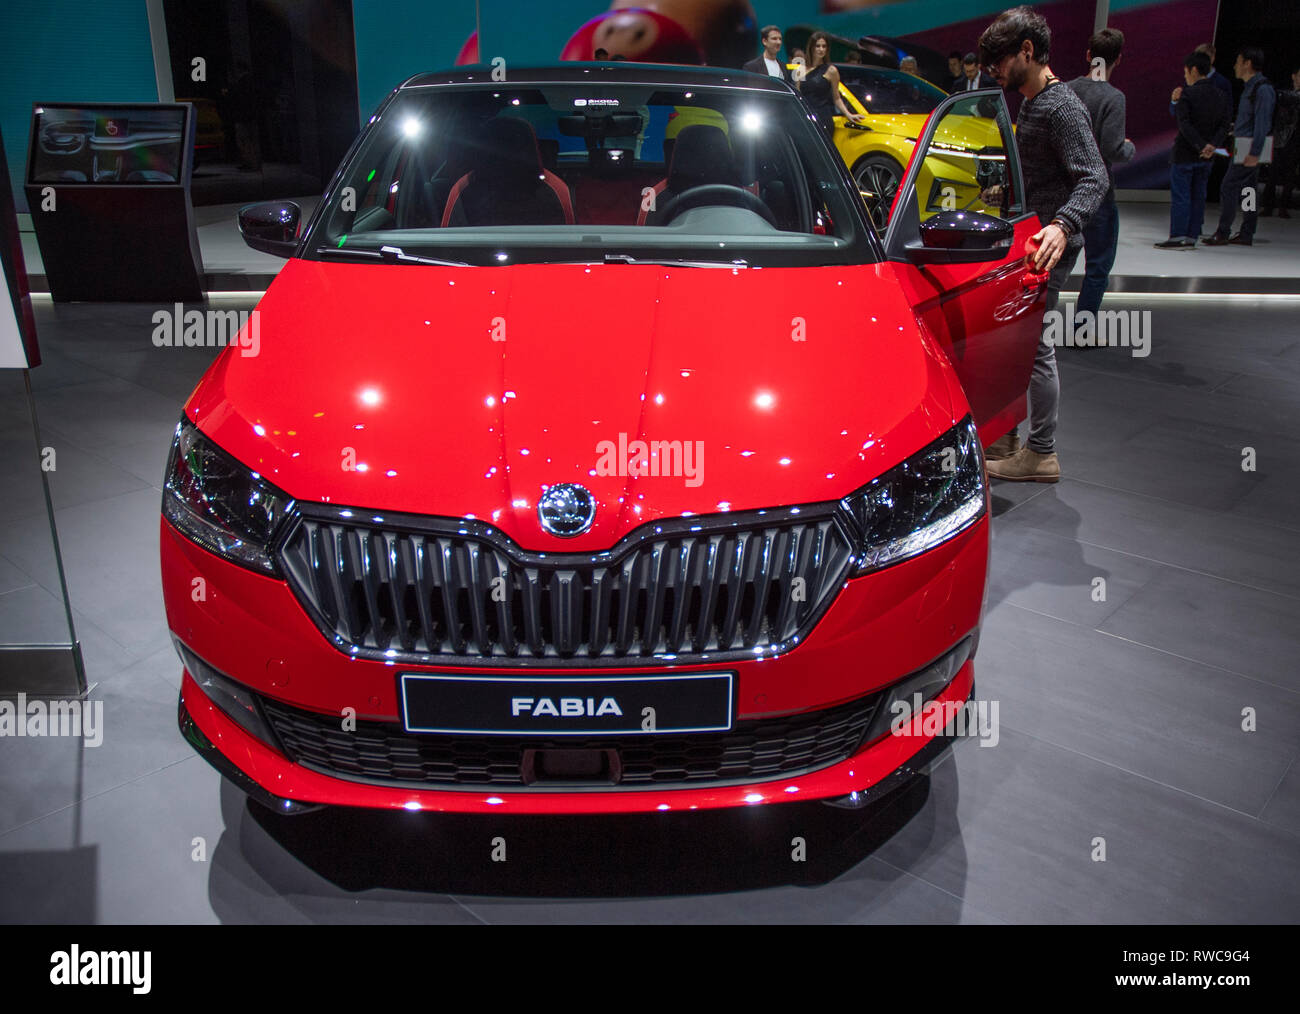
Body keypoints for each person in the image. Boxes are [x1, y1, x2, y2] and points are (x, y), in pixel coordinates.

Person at [978, 6, 1108, 483]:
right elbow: (1045, 174)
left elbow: (1094, 179)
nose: (995, 71)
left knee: (1034, 348)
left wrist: (1062, 225)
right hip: (1030, 241)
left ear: (1027, 52)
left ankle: (1043, 451)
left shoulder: (1062, 106)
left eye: (1000, 61)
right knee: (1018, 343)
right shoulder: (1033, 104)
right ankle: (1011, 436)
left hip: (1049, 247)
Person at [1067, 28, 1134, 317]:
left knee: (1054, 263)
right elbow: (1112, 148)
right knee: (1098, 264)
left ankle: (1036, 330)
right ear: (1118, 59)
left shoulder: (1066, 89)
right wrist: (1128, 148)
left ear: (1087, 55)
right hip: (1098, 193)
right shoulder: (1113, 98)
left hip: (1064, 187)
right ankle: (1082, 329)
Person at [1156, 51, 1230, 248]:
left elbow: (1184, 124)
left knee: (1182, 196)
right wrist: (1211, 145)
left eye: (1186, 72)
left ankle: (1177, 235)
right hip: (1207, 156)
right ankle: (1191, 236)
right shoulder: (1221, 95)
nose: (1185, 76)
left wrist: (1200, 145)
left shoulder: (1187, 94)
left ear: (1194, 70)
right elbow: (1225, 125)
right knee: (1199, 196)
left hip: (1185, 154)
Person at [1204, 47, 1275, 246]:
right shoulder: (1251, 88)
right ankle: (1246, 232)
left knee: (1229, 187)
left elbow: (1262, 124)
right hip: (1244, 147)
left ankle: (1223, 232)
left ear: (1248, 63)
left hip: (1248, 150)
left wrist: (1254, 153)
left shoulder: (1262, 89)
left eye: (1238, 61)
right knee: (1248, 190)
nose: (1235, 65)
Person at [798, 31, 867, 137]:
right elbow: (797, 95)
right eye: (818, 46)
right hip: (804, 119)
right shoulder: (800, 69)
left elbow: (837, 98)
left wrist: (848, 114)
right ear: (811, 47)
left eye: (824, 46)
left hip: (823, 118)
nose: (821, 49)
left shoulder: (831, 70)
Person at [1262, 66, 1300, 217]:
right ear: (1294, 76)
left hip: (1295, 139)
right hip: (1279, 137)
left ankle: (1284, 206)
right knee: (1272, 173)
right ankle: (1268, 205)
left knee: (1290, 174)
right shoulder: (1282, 95)